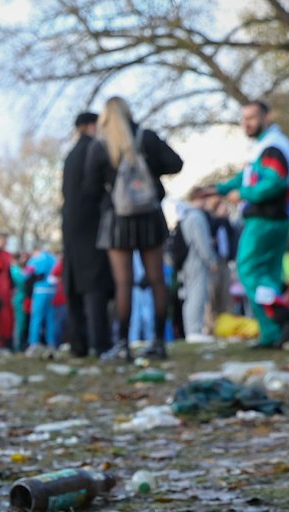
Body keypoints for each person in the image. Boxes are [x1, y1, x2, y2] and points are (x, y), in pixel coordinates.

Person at [82, 97, 182, 361]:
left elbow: (90, 189)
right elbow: (176, 163)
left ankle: (123, 345)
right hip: (150, 216)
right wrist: (151, 170)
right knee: (157, 280)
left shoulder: (100, 146)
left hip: (117, 220)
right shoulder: (146, 137)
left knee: (123, 283)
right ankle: (158, 342)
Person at [213, 101, 289, 349]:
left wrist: (243, 194)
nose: (247, 123)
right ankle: (273, 332)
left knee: (249, 270)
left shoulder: (272, 146)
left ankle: (282, 320)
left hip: (265, 219)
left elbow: (274, 182)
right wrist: (219, 188)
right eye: (244, 118)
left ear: (267, 116)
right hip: (274, 219)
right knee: (268, 274)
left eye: (252, 117)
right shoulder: (264, 146)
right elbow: (246, 177)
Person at [60, 112, 112, 357]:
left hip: (70, 226)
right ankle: (100, 342)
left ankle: (78, 343)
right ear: (92, 125)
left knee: (74, 286)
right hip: (92, 224)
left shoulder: (71, 154)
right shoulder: (95, 148)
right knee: (95, 286)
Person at [175, 190, 219, 342]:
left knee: (190, 296)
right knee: (197, 295)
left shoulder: (185, 215)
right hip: (196, 261)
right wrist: (211, 260)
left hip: (187, 262)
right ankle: (194, 331)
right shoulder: (196, 217)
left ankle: (192, 330)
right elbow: (202, 243)